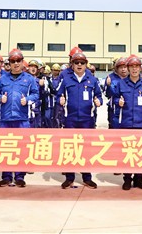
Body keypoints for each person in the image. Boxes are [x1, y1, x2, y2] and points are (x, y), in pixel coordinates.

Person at [0, 49, 39, 188]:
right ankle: (6, 176)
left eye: (18, 61)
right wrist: (0, 98)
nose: (16, 63)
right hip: (5, 119)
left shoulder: (29, 79)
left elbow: (36, 94)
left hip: (22, 118)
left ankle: (19, 176)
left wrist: (28, 100)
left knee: (22, 147)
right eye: (13, 61)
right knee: (5, 147)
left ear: (22, 62)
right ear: (9, 63)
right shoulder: (3, 78)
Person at [55, 52, 102, 189]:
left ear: (86, 64)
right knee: (70, 147)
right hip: (70, 119)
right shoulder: (66, 80)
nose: (79, 65)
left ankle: (87, 178)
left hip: (87, 120)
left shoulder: (92, 80)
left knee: (86, 149)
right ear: (72, 65)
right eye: (76, 63)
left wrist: (98, 101)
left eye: (82, 63)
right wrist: (60, 100)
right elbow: (58, 95)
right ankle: (69, 178)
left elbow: (99, 95)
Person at [114, 55, 142, 190]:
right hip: (126, 123)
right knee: (128, 152)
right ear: (128, 68)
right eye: (132, 66)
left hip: (141, 124)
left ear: (140, 68)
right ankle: (127, 179)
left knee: (140, 152)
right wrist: (118, 102)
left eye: (137, 66)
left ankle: (139, 179)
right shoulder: (121, 83)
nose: (134, 69)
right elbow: (114, 99)